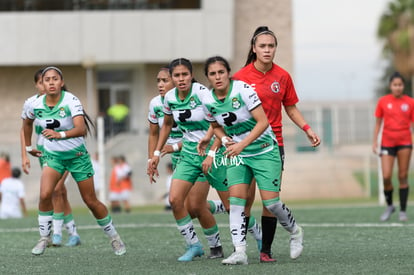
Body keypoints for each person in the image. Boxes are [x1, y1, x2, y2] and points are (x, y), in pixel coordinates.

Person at [200, 55, 304, 265]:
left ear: (228, 73)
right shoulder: (208, 100)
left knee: (271, 203)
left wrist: (241, 144)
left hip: (264, 150)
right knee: (236, 202)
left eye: (221, 72)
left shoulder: (243, 90)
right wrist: (225, 139)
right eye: (212, 74)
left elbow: (263, 122)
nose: (218, 77)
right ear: (208, 78)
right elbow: (216, 126)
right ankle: (240, 252)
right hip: (238, 155)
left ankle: (295, 232)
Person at [232, 26, 320, 262]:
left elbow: (290, 107)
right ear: (254, 49)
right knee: (243, 199)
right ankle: (240, 250)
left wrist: (307, 129)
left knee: (270, 201)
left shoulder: (282, 76)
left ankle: (266, 251)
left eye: (271, 46)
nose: (267, 50)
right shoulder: (239, 78)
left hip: (272, 146)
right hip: (244, 145)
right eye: (262, 46)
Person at [22, 66, 126, 256]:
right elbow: (26, 123)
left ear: (61, 82)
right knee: (46, 194)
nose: (51, 82)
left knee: (91, 200)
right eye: (47, 80)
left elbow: (81, 129)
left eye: (55, 79)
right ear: (42, 84)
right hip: (53, 157)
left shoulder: (71, 100)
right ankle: (44, 238)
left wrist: (58, 134)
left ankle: (114, 238)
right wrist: (28, 148)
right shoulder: (33, 103)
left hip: (77, 157)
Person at [148, 58, 229, 261]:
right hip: (184, 157)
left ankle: (250, 234)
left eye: (164, 79)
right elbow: (157, 131)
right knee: (177, 201)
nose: (161, 84)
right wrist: (154, 156)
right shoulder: (161, 102)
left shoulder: (201, 94)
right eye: (159, 80)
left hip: (207, 153)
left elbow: (214, 123)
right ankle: (195, 245)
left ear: (191, 76)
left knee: (199, 206)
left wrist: (174, 147)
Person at [20, 68, 81, 247]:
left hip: (66, 149)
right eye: (42, 81)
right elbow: (24, 129)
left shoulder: (67, 100)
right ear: (38, 84)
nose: (47, 84)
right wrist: (25, 154)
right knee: (58, 191)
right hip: (44, 150)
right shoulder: (32, 103)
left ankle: (56, 233)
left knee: (57, 189)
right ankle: (73, 232)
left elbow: (78, 127)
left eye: (52, 80)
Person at [373, 72, 414, 222]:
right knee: (386, 176)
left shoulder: (410, 102)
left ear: (403, 86)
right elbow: (378, 123)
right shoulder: (383, 101)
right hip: (387, 143)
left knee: (403, 176)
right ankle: (390, 205)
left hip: (405, 142)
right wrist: (374, 141)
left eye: (400, 85)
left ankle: (403, 211)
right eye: (395, 85)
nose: (398, 87)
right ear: (390, 86)